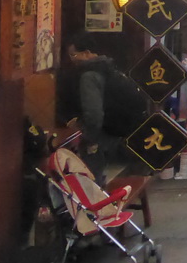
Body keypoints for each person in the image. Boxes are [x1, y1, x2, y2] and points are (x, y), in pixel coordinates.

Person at [63, 33, 150, 184]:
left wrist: (88, 134)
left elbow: (94, 114)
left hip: (106, 134)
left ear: (87, 53)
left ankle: (96, 202)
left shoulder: (89, 76)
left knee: (92, 174)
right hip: (123, 130)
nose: (72, 59)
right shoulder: (107, 67)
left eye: (74, 54)